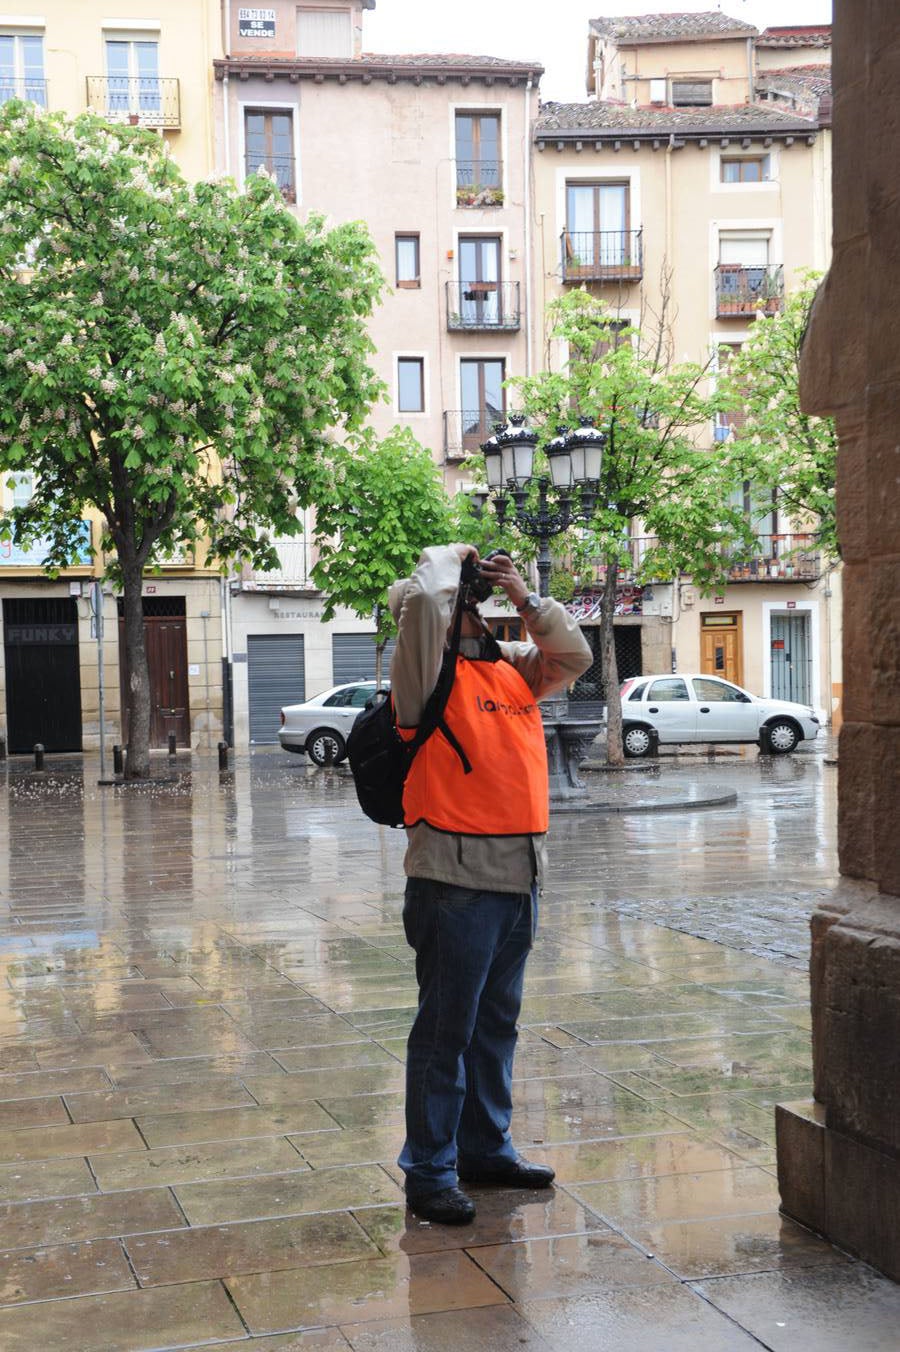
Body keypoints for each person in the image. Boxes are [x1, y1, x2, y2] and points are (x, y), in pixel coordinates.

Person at [388, 543, 593, 1224]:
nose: (470, 613)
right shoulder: (424, 678)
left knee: (495, 1026)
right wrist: (454, 559)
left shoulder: (509, 672)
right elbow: (420, 605)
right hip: (454, 881)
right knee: (446, 1031)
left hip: (517, 880)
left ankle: (483, 1149)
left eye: (473, 605)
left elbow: (575, 659)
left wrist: (524, 597)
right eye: (462, 605)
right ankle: (430, 1170)